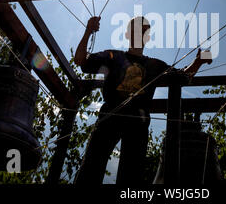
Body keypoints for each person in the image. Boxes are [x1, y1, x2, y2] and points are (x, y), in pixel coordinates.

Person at [73, 15, 212, 185]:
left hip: (137, 125)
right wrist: (88, 30)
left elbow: (182, 77)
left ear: (147, 36)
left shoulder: (155, 65)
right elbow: (80, 61)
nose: (140, 32)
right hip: (109, 118)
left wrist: (198, 62)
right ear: (127, 34)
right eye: (136, 29)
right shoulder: (112, 56)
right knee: (90, 171)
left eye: (144, 30)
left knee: (131, 178)